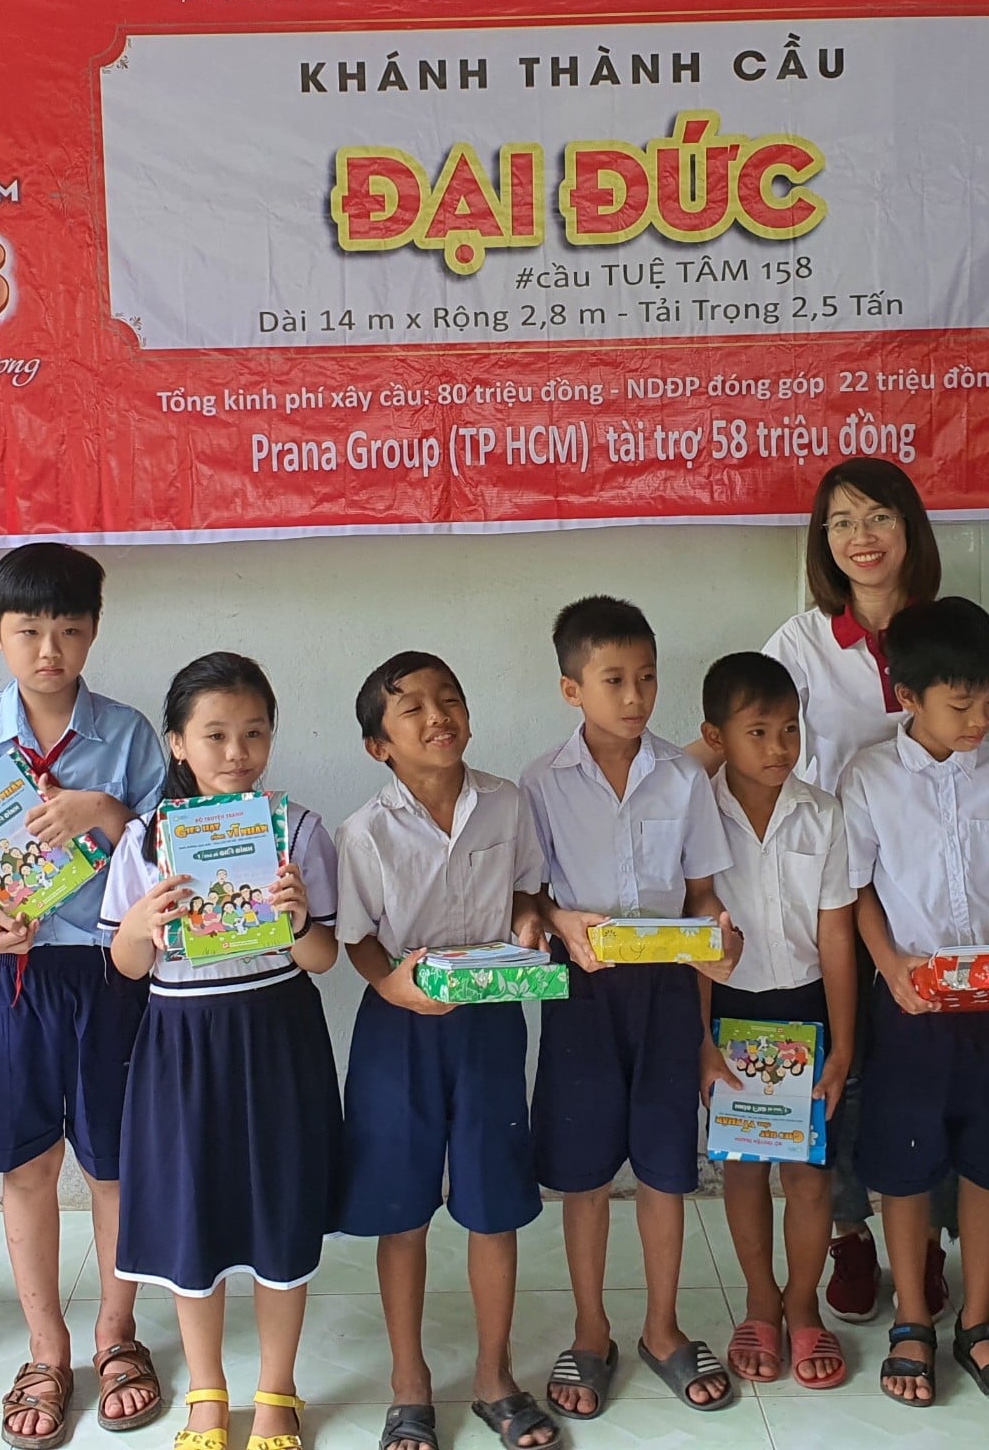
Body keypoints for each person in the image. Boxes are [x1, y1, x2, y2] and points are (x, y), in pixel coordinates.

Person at [760, 459, 989, 1325]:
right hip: (840, 900)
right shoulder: (801, 643)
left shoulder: (962, 633)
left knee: (953, 1098)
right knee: (849, 1081)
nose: (861, 537)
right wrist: (652, 764)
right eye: (840, 522)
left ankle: (931, 1251)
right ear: (823, 541)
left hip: (958, 930)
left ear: (910, 528)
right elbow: (741, 729)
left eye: (879, 517)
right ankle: (850, 1236)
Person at [0, 541, 169, 1442]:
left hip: (107, 971)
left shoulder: (129, 735)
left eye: (68, 628)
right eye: (28, 630)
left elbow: (166, 855)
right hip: (5, 970)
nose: (49, 648)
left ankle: (116, 1333)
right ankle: (46, 1347)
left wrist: (106, 813)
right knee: (24, 1165)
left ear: (93, 631)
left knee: (113, 1161)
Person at [104, 654, 343, 1450]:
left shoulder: (298, 830)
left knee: (280, 1210)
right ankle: (207, 1393)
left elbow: (323, 959)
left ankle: (276, 1392)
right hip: (180, 1041)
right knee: (190, 1215)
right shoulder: (145, 840)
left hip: (276, 1037)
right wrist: (141, 925)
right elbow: (125, 966)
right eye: (215, 735)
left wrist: (298, 920)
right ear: (177, 742)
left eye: (254, 733)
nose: (237, 752)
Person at [336, 652, 561, 1450]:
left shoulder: (506, 804)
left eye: (450, 699)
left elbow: (529, 892)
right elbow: (357, 939)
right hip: (399, 1026)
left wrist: (529, 923)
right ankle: (410, 1383)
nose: (438, 716)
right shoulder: (364, 832)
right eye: (413, 709)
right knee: (400, 1210)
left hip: (490, 1018)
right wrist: (392, 986)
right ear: (380, 746)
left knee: (492, 1201)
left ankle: (496, 1376)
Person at [526, 597, 742, 1418]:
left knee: (664, 1169)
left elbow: (702, 896)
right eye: (613, 680)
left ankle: (661, 1327)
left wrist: (720, 936)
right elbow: (530, 896)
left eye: (646, 678)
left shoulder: (683, 778)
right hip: (580, 994)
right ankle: (591, 1332)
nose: (635, 696)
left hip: (666, 996)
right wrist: (558, 922)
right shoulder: (541, 783)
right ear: (571, 690)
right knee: (584, 1177)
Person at [842, 599, 989, 1411]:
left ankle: (979, 1320)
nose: (980, 720)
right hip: (911, 1006)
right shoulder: (870, 777)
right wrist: (889, 967)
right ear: (908, 696)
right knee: (904, 1167)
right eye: (961, 704)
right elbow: (858, 889)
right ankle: (912, 1320)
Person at [694, 650, 855, 1394]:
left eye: (789, 729)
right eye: (757, 732)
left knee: (810, 1174)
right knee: (744, 1166)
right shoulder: (696, 812)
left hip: (807, 1010)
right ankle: (761, 1301)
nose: (779, 747)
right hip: (731, 1012)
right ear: (716, 738)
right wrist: (701, 1040)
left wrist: (843, 1044)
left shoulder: (822, 814)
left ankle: (803, 1302)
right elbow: (696, 934)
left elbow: (836, 935)